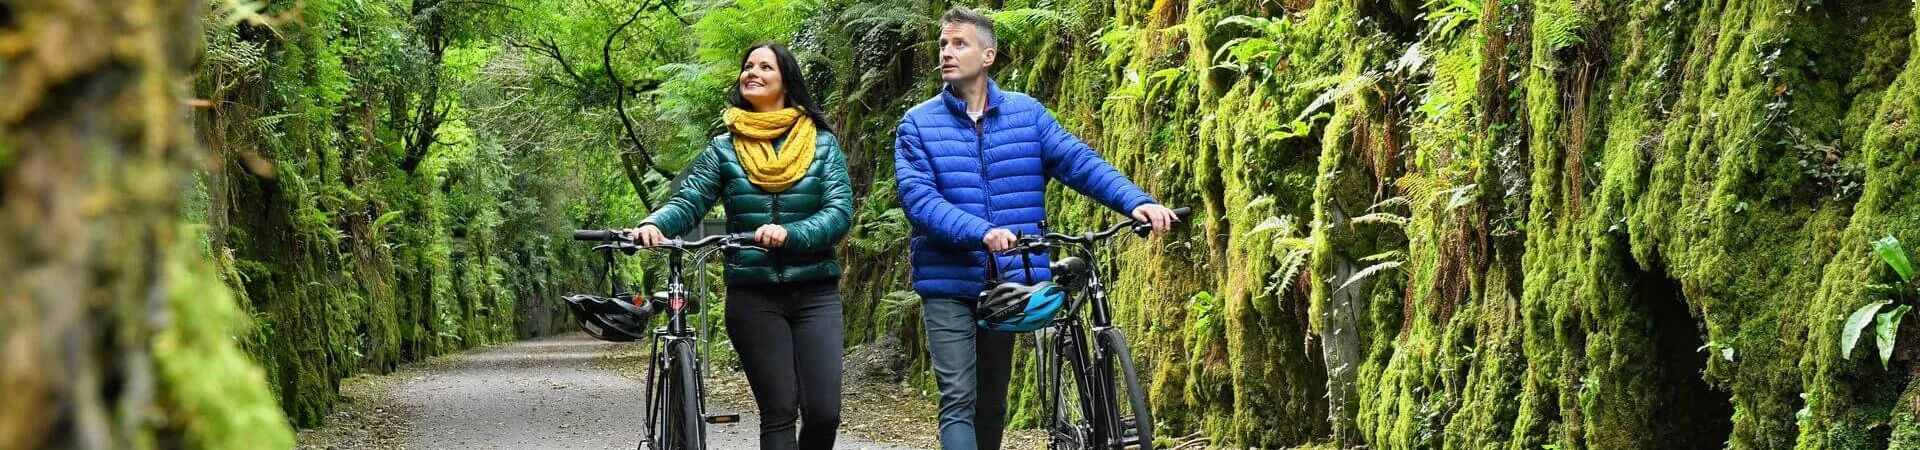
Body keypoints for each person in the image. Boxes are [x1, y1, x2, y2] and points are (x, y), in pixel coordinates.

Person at [892, 7, 1179, 450]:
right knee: (958, 399)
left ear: (987, 55)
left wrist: (1136, 201)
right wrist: (983, 232)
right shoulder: (917, 124)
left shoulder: (1027, 115)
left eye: (959, 43)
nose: (947, 52)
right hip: (948, 282)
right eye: (944, 44)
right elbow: (920, 202)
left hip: (1009, 282)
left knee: (992, 403)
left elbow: (1079, 163)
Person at [626, 42, 851, 450]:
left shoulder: (821, 144)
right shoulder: (724, 148)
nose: (753, 72)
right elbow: (689, 200)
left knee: (823, 412)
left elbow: (838, 213)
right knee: (779, 410)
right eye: (748, 66)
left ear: (786, 80)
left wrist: (791, 234)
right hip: (753, 295)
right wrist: (653, 223)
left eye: (765, 67)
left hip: (815, 292)